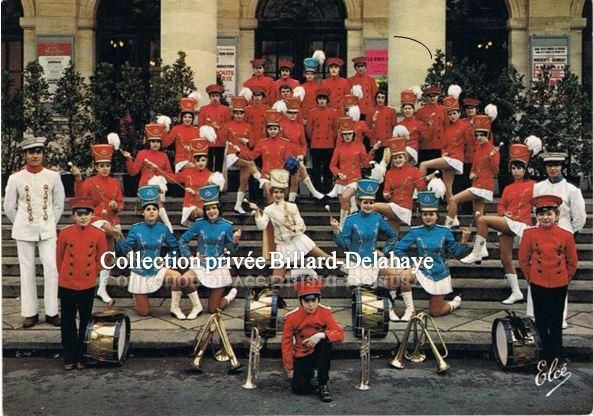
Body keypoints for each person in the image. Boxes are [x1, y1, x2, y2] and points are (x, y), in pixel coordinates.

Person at [461, 143, 538, 304]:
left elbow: (538, 203)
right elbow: (501, 205)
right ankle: (516, 292)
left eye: (519, 168)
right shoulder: (508, 188)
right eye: (513, 168)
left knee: (482, 219)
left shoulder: (533, 186)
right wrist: (504, 213)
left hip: (522, 223)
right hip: (508, 221)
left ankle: (478, 251)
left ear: (525, 170)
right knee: (505, 258)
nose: (515, 171)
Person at [332, 179, 416, 321]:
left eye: (371, 202)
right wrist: (336, 232)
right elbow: (344, 245)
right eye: (365, 202)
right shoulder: (351, 220)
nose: (368, 205)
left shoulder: (377, 218)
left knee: (400, 277)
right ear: (359, 202)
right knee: (367, 292)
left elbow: (393, 236)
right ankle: (388, 305)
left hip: (374, 259)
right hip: (357, 261)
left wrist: (384, 251)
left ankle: (405, 308)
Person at [3, 135, 64, 328]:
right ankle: (30, 313)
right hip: (24, 230)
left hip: (47, 229)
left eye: (38, 152)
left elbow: (58, 204)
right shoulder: (15, 178)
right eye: (31, 152)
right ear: (25, 155)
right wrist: (22, 222)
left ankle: (52, 311)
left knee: (51, 269)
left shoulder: (53, 176)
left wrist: (49, 222)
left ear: (43, 154)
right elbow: (9, 207)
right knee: (26, 270)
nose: (35, 156)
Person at [115, 185, 200, 320]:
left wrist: (166, 260)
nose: (151, 212)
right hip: (139, 271)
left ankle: (175, 307)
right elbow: (125, 249)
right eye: (148, 209)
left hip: (157, 267)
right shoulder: (135, 229)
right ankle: (137, 296)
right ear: (143, 212)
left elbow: (175, 248)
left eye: (154, 209)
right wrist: (117, 237)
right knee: (143, 313)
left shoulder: (163, 229)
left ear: (158, 212)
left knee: (177, 276)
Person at [528, 151, 586, 328]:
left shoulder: (572, 190)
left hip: (562, 235)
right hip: (541, 235)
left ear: (562, 167)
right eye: (549, 165)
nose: (553, 169)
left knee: (559, 275)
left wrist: (569, 234)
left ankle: (559, 316)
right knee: (537, 271)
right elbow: (535, 212)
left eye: (557, 165)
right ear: (545, 167)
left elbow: (580, 217)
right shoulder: (538, 187)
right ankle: (534, 313)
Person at [519, 195, 578, 366]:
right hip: (538, 282)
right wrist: (532, 279)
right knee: (541, 320)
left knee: (556, 320)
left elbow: (572, 262)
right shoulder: (529, 234)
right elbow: (523, 259)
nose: (545, 217)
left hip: (559, 283)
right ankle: (544, 355)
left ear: (557, 215)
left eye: (549, 214)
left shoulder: (566, 235)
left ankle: (557, 355)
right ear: (536, 216)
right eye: (541, 214)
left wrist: (565, 279)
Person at [393, 191, 471, 317]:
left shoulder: (444, 231)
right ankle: (410, 310)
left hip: (439, 272)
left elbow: (456, 254)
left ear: (437, 216)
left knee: (436, 312)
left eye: (431, 214)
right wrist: (412, 262)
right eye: (425, 214)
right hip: (422, 269)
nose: (428, 217)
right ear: (422, 216)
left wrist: (464, 240)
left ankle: (454, 303)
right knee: (404, 276)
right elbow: (398, 249)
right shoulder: (416, 232)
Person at [251, 169, 333, 283]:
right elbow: (261, 226)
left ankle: (347, 269)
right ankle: (305, 271)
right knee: (276, 279)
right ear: (271, 193)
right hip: (282, 245)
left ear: (284, 193)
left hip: (298, 240)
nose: (278, 195)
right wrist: (257, 213)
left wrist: (293, 228)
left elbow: (301, 225)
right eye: (275, 192)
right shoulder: (268, 209)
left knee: (325, 257)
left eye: (281, 192)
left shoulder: (291, 206)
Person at [56, 197, 107, 370]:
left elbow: (103, 259)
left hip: (87, 283)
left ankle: (82, 356)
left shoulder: (99, 234)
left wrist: (93, 273)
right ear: (73, 216)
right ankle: (69, 356)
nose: (83, 217)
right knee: (68, 321)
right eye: (79, 214)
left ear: (93, 215)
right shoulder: (65, 233)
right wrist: (64, 275)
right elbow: (59, 257)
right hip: (67, 282)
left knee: (86, 320)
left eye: (87, 214)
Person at [72, 143, 124, 307]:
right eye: (102, 166)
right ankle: (122, 240)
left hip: (112, 219)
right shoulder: (90, 182)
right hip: (95, 219)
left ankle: (102, 288)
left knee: (107, 254)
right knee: (111, 233)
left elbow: (121, 204)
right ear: (96, 167)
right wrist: (78, 179)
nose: (105, 169)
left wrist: (117, 206)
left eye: (107, 165)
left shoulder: (115, 183)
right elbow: (80, 196)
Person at [179, 185, 240, 313]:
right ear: (204, 211)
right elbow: (182, 240)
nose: (211, 211)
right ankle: (197, 306)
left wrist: (234, 241)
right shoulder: (199, 223)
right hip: (201, 264)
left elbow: (231, 251)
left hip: (219, 267)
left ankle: (230, 296)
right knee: (184, 279)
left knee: (213, 309)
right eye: (208, 209)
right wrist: (190, 258)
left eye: (214, 208)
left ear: (219, 208)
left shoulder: (227, 226)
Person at [282, 278, 345, 402]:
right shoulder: (291, 317)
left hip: (319, 352)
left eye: (314, 300)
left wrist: (321, 335)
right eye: (307, 301)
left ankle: (323, 384)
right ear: (301, 301)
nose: (311, 305)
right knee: (299, 389)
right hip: (302, 353)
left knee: (326, 342)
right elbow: (286, 343)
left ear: (318, 299)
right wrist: (289, 368)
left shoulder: (325, 312)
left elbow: (340, 334)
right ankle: (308, 375)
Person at [446, 115, 500, 228]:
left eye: (482, 135)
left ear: (488, 135)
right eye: (477, 135)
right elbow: (474, 166)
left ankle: (449, 225)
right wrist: (472, 173)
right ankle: (482, 243)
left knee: (453, 200)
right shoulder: (478, 149)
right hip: (477, 183)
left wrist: (492, 157)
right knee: (478, 215)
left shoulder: (493, 150)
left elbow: (495, 171)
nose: (479, 137)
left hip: (483, 185)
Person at [122, 123, 175, 232]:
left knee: (157, 201)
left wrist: (160, 171)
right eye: (152, 141)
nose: (155, 144)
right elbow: (133, 172)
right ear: (148, 142)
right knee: (156, 203)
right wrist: (128, 160)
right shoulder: (142, 154)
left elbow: (169, 175)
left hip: (159, 187)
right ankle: (168, 226)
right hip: (145, 186)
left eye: (157, 141)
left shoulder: (164, 156)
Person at [329, 117, 379, 227]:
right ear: (342, 135)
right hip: (341, 181)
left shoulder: (360, 146)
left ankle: (342, 225)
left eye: (349, 134)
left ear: (353, 134)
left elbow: (365, 163)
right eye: (345, 134)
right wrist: (338, 173)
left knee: (345, 197)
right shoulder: (339, 148)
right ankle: (345, 226)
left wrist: (373, 150)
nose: (347, 136)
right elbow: (332, 165)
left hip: (355, 179)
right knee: (344, 206)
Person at [238, 110, 297, 203]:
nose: (272, 131)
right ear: (267, 130)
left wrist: (291, 162)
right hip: (266, 174)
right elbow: (252, 156)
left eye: (274, 129)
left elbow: (288, 157)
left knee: (280, 200)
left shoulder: (285, 143)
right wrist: (239, 151)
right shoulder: (262, 142)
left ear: (279, 130)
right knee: (270, 196)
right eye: (270, 129)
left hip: (280, 174)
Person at [373, 136, 429, 233]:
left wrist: (427, 180)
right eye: (395, 158)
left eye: (400, 157)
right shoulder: (389, 173)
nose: (397, 160)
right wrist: (386, 195)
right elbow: (386, 191)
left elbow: (422, 189)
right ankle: (393, 248)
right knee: (393, 235)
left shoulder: (414, 171)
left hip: (404, 208)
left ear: (405, 158)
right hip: (392, 206)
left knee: (372, 207)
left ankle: (368, 230)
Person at [220, 96, 264, 213]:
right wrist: (227, 141)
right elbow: (221, 139)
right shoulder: (227, 125)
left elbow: (253, 142)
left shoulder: (248, 126)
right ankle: (261, 179)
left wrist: (247, 141)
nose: (239, 115)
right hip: (232, 154)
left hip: (244, 153)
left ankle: (238, 205)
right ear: (233, 113)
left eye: (241, 113)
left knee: (244, 180)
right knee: (250, 164)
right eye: (237, 113)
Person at [419, 96, 467, 201]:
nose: (452, 116)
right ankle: (453, 216)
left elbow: (469, 143)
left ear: (459, 113)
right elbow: (444, 146)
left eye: (454, 114)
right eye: (450, 114)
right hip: (449, 158)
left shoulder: (464, 126)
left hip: (456, 159)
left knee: (423, 165)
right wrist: (444, 153)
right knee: (448, 191)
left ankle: (420, 193)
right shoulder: (448, 129)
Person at [280, 97, 325, 202]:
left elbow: (304, 143)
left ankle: (291, 202)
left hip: (297, 155)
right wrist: (288, 156)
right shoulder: (281, 125)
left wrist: (302, 154)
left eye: (295, 113)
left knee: (295, 180)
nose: (292, 115)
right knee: (287, 181)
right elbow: (282, 143)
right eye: (290, 113)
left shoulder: (300, 126)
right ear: (286, 113)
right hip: (285, 156)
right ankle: (313, 192)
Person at [174, 137, 224, 227]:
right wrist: (157, 169)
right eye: (198, 160)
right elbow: (172, 178)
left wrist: (195, 193)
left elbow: (212, 196)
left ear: (207, 161)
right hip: (190, 206)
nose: (200, 163)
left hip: (205, 206)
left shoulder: (211, 176)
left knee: (206, 213)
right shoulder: (188, 172)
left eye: (203, 160)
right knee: (198, 212)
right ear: (194, 161)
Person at [306, 88, 339, 193]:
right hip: (316, 145)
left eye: (324, 99)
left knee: (327, 169)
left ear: (327, 100)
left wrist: (331, 140)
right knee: (316, 170)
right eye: (320, 99)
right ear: (317, 100)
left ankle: (327, 191)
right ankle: (317, 192)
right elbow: (309, 130)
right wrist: (314, 139)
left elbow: (335, 129)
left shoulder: (333, 112)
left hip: (329, 145)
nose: (322, 101)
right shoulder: (312, 112)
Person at [198, 84, 231, 173]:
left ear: (220, 96)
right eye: (213, 96)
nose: (215, 98)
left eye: (217, 96)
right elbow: (200, 126)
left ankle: (217, 183)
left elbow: (228, 125)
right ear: (209, 97)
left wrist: (219, 128)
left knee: (218, 165)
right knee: (208, 164)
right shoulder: (204, 109)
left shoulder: (226, 109)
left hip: (220, 140)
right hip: (208, 141)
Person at [162, 97, 200, 172]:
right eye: (185, 117)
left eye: (189, 117)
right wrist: (164, 131)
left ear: (192, 119)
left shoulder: (196, 131)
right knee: (193, 168)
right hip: (181, 161)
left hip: (194, 160)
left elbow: (199, 148)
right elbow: (165, 144)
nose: (187, 119)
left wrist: (192, 148)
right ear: (182, 118)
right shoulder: (176, 129)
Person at [416, 86, 447, 163]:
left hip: (440, 145)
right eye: (430, 96)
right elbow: (418, 130)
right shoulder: (420, 111)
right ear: (426, 98)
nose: (432, 98)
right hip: (425, 145)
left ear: (438, 97)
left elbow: (447, 128)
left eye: (435, 96)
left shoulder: (444, 110)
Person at [368, 89, 397, 162]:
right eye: (378, 97)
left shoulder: (391, 111)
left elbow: (394, 128)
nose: (380, 100)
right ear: (375, 98)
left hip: (387, 142)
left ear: (385, 99)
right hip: (376, 144)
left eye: (382, 97)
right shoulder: (370, 111)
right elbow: (367, 129)